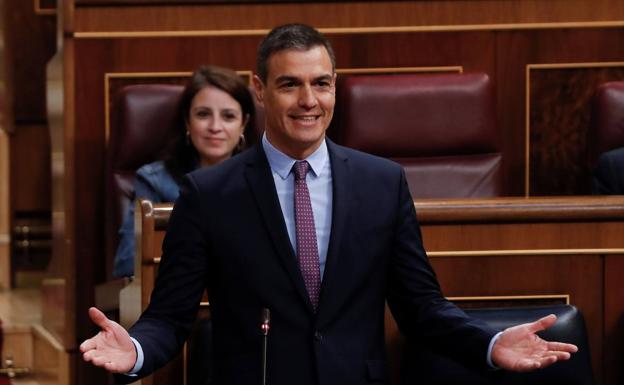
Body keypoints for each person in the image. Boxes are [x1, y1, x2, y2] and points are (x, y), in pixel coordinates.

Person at [81, 24, 577, 385]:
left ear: (335, 86)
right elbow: (171, 316)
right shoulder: (208, 194)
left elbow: (422, 308)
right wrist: (138, 350)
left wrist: (489, 343)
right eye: (289, 84)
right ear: (259, 90)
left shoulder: (382, 183)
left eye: (321, 83)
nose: (308, 101)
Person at [112, 65, 256, 277]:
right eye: (203, 114)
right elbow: (126, 265)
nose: (215, 126)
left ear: (243, 124)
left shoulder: (264, 179)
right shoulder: (155, 181)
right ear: (187, 121)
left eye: (228, 116)